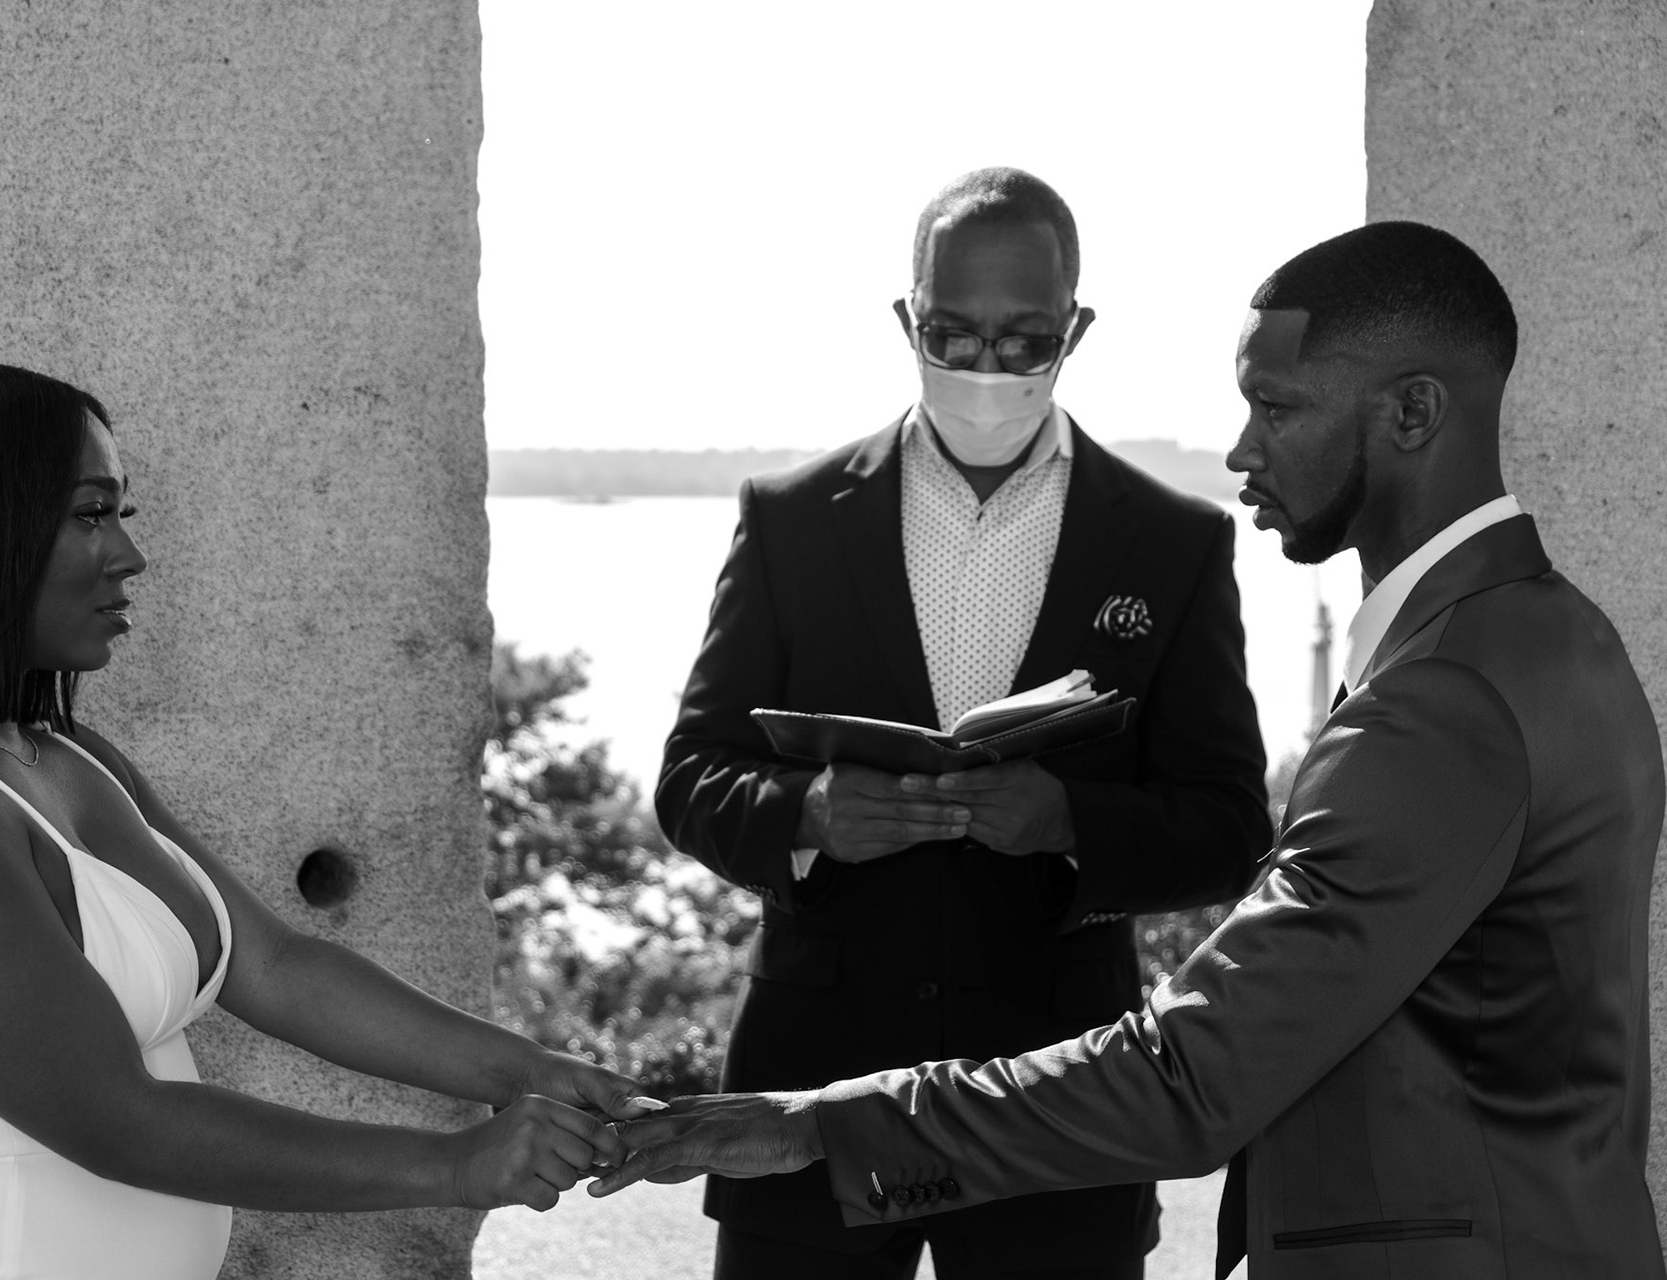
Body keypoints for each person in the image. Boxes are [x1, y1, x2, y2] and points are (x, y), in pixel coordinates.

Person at [598, 221, 1667, 1280]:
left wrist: (818, 1125)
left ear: (1414, 412)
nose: (1242, 449)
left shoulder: (1440, 698)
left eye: (1275, 407)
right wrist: (808, 815)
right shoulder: (1550, 633)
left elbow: (1194, 1075)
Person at [0, 363, 655, 1279]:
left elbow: (274, 966)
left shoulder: (65, 757)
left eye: (122, 513)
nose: (130, 555)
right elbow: (119, 1121)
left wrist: (529, 1071)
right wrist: (457, 1165)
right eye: (91, 514)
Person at [655, 167, 1272, 1279]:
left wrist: (1068, 822)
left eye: (1025, 340)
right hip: (810, 1082)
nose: (986, 368)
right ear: (908, 320)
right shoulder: (790, 521)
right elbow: (692, 773)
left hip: (1062, 1101)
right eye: (953, 334)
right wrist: (808, 814)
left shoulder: (1174, 542)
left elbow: (1230, 827)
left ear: (1076, 328)